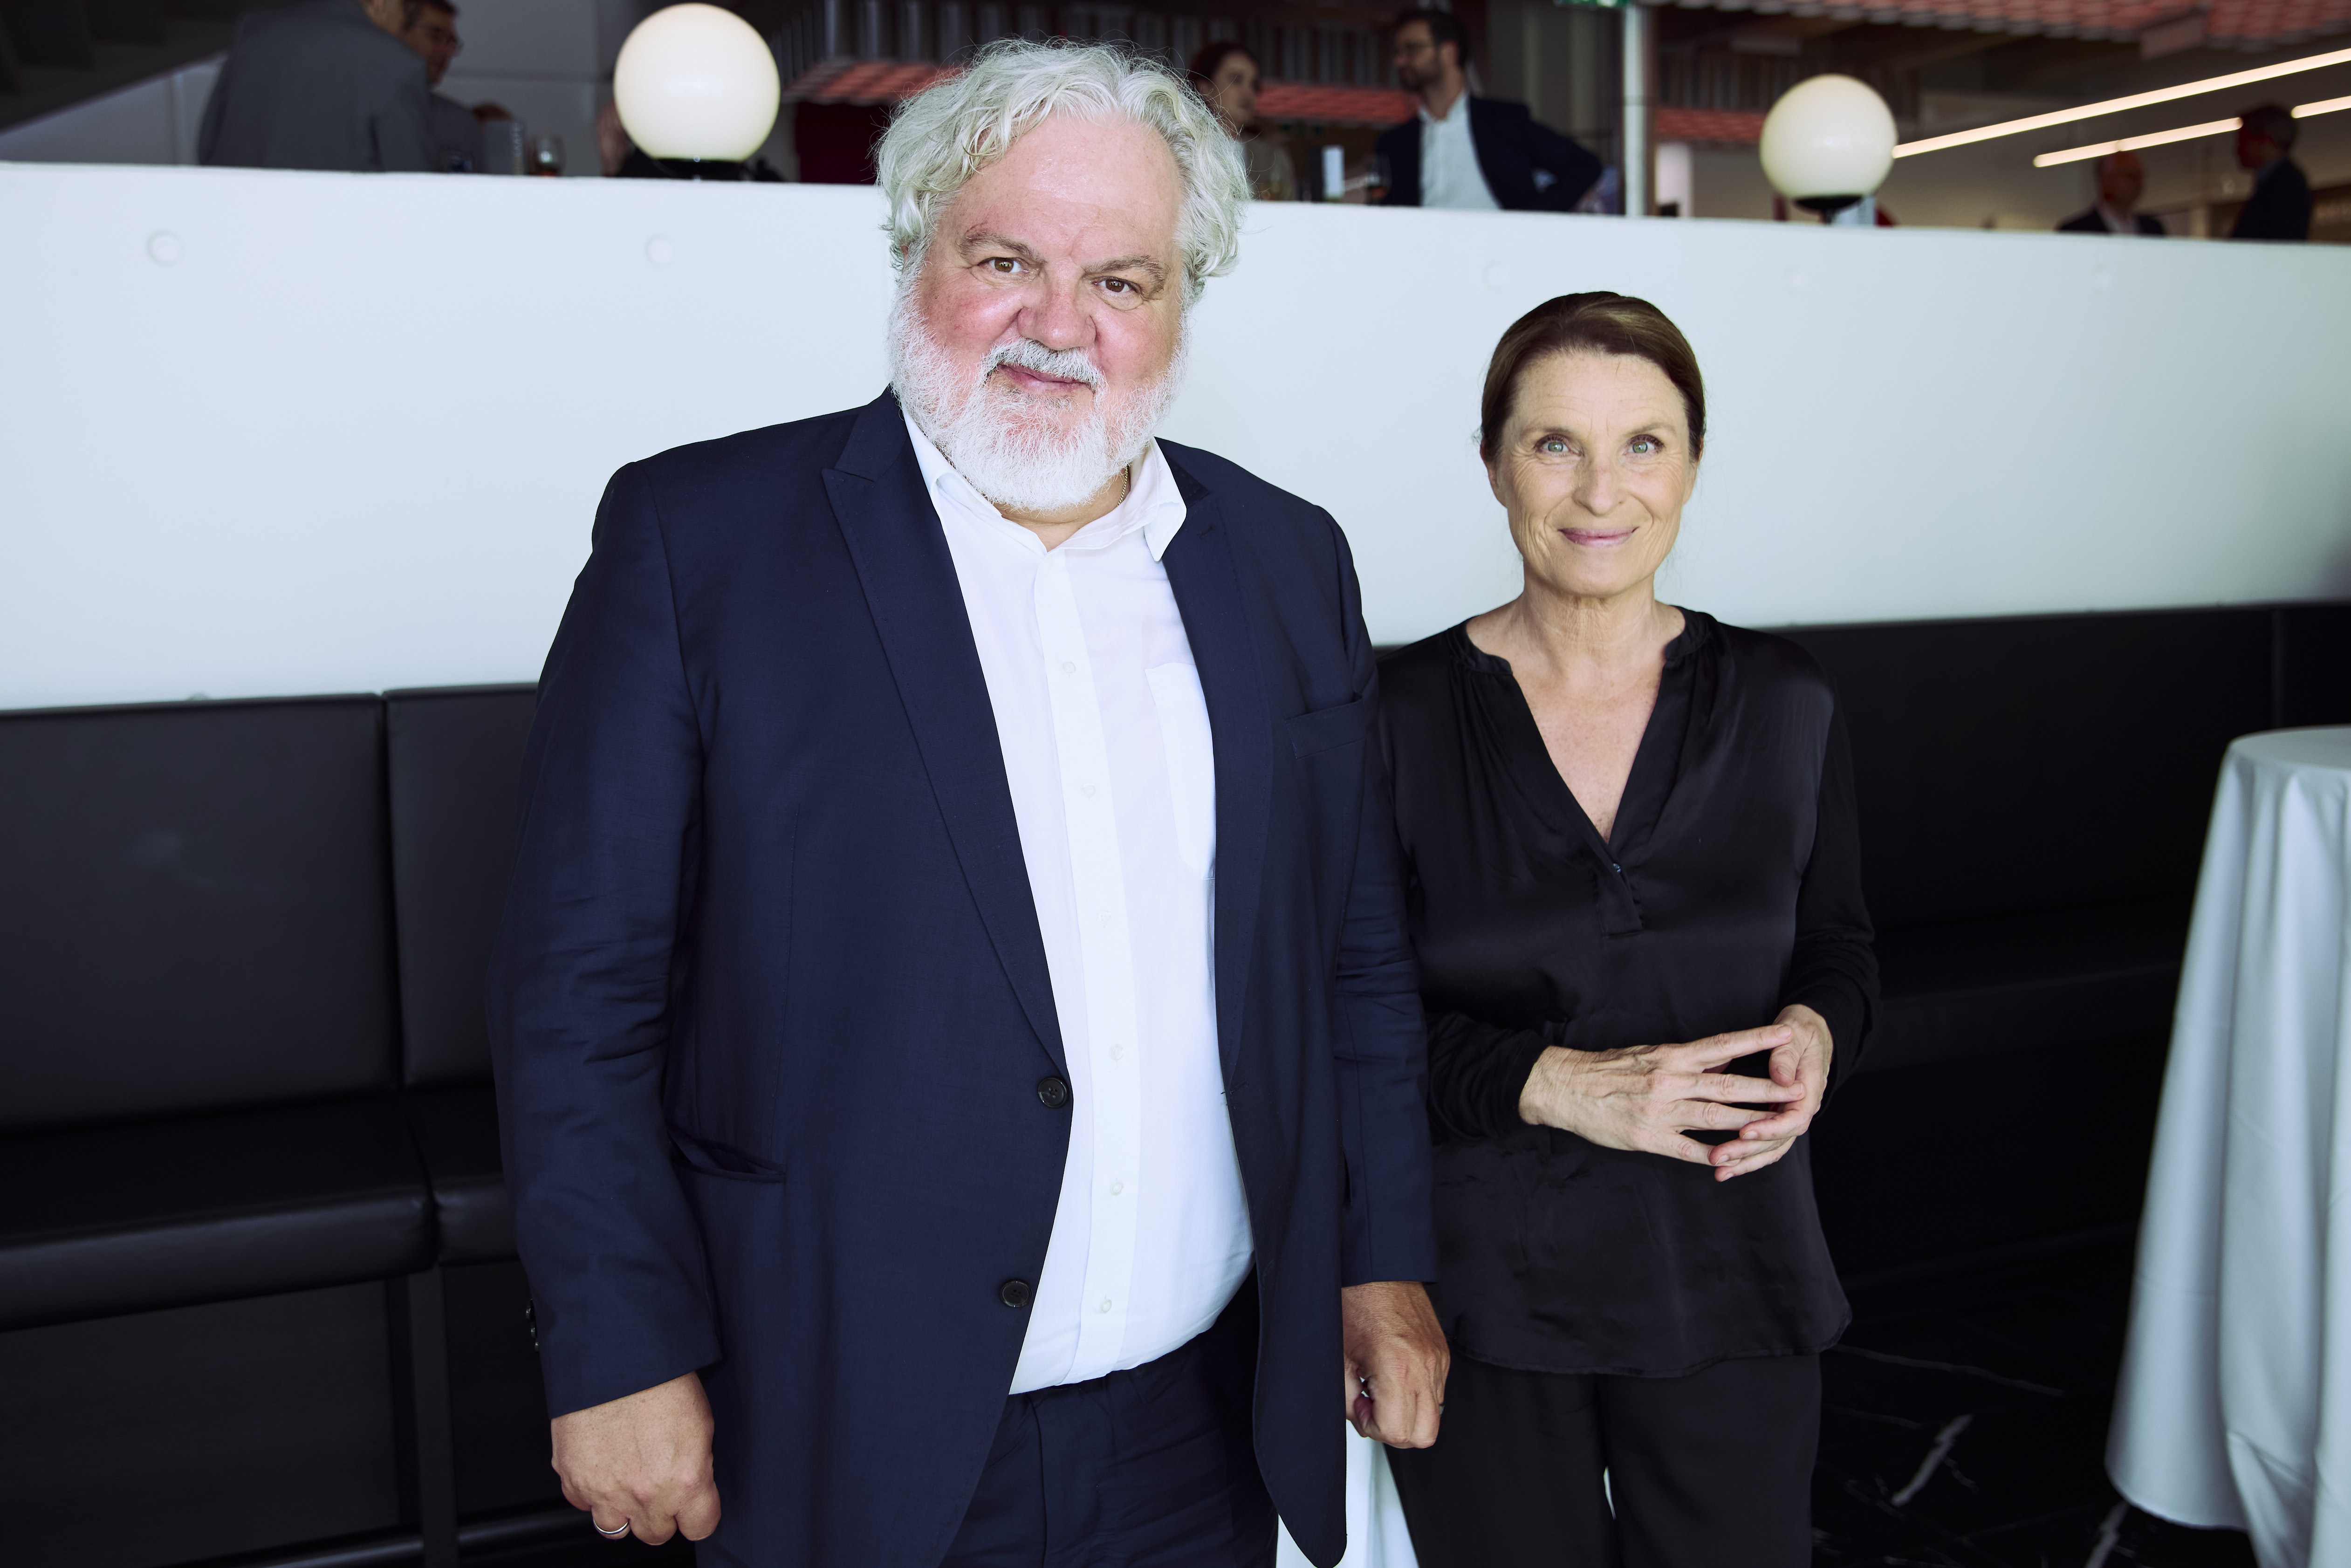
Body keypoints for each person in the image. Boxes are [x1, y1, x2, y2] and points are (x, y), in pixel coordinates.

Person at [487, 38, 1447, 1568]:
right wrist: (615, 1343)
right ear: (913, 248)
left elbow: (1352, 957)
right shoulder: (697, 542)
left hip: (1202, 1422)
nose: (1058, 324)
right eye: (1006, 261)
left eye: (1120, 280)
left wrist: (1378, 1257)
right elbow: (577, 992)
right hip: (833, 1406)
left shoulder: (1284, 561)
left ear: (1181, 302)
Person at [1376, 292, 1878, 1568]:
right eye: (1554, 444)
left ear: (1692, 464)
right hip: (1476, 1289)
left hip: (1734, 1262)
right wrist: (1555, 1084)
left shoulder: (1785, 700)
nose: (1600, 490)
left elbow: (1838, 944)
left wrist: (1820, 1028)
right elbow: (1338, 1012)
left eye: (1642, 444)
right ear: (1492, 463)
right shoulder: (1391, 714)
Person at [1376, 8, 1599, 212]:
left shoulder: (1504, 121)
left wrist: (1533, 218)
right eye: (1398, 51)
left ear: (1449, 52)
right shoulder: (1394, 143)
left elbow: (1584, 165)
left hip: (1500, 242)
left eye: (1412, 49)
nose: (1399, 61)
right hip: (1422, 243)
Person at [197, 0, 436, 172]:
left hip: (240, 218)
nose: (403, 28)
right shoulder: (398, 63)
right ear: (381, 3)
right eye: (407, 13)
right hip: (339, 224)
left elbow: (207, 147)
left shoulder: (254, 32)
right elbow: (414, 179)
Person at [1189, 41, 1295, 201]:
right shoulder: (1184, 149)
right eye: (1236, 80)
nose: (1248, 92)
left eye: (1254, 85)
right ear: (1205, 87)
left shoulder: (1272, 157)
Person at [398, 0, 481, 173]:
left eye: (451, 42)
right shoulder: (366, 112)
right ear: (397, 32)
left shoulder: (460, 123)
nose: (447, 51)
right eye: (435, 35)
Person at [2229, 103, 2312, 240]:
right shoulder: (2281, 182)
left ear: (2264, 139)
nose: (2237, 149)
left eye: (2243, 140)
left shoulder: (2286, 185)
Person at [2057, 150, 2165, 234]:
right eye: (2129, 175)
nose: (2137, 182)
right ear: (2105, 180)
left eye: (2139, 176)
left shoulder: (2154, 228)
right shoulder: (2075, 230)